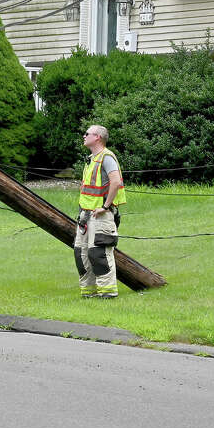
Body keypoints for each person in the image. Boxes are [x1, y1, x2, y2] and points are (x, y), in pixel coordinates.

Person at [75, 124, 127, 299]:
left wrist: (105, 206)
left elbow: (116, 182)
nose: (84, 136)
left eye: (87, 133)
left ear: (97, 137)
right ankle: (89, 293)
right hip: (86, 215)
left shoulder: (107, 157)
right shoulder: (91, 158)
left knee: (99, 254)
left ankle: (107, 294)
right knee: (81, 253)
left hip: (101, 215)